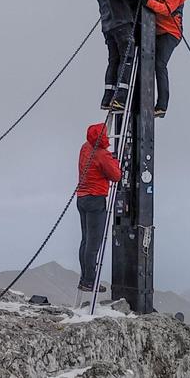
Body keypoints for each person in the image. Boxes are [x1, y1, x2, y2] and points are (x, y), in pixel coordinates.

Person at [92, 0, 143, 110]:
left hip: (107, 26)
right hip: (120, 22)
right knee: (126, 58)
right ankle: (120, 98)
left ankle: (107, 98)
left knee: (113, 60)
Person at [76, 121, 122, 292]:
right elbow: (116, 176)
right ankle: (89, 281)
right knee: (93, 243)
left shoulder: (85, 148)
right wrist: (115, 161)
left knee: (86, 239)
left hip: (82, 198)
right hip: (96, 199)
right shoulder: (102, 154)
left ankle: (84, 279)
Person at [142, 0, 190, 118]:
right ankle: (158, 105)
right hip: (160, 31)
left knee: (160, 65)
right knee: (149, 61)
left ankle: (162, 105)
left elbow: (166, 9)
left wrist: (147, 1)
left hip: (170, 33)